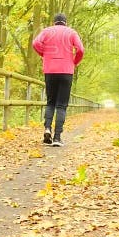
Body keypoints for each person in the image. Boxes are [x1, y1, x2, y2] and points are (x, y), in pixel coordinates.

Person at [32, 12, 84, 147]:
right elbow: (80, 50)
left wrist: (44, 53)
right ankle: (57, 137)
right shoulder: (71, 32)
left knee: (50, 102)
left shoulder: (46, 31)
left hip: (50, 70)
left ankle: (47, 128)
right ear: (65, 22)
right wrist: (74, 62)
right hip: (66, 70)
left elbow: (36, 43)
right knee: (61, 105)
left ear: (54, 22)